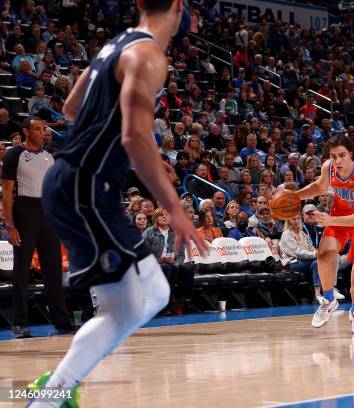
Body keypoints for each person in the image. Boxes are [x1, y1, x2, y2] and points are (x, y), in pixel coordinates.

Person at [30, 2, 207, 406]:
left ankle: (54, 389)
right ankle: (48, 397)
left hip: (80, 183)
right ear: (178, 7)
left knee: (156, 292)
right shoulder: (149, 55)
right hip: (84, 186)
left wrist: (126, 146)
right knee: (124, 309)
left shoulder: (116, 45)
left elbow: (72, 107)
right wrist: (175, 209)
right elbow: (132, 137)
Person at [295, 136, 354, 334]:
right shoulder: (329, 167)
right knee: (324, 254)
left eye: (342, 155)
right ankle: (328, 300)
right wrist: (295, 196)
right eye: (333, 156)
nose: (337, 161)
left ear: (351, 154)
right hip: (341, 215)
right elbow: (319, 187)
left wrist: (330, 220)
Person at [2, 117, 73, 339]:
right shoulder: (15, 154)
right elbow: (6, 192)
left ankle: (62, 321)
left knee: (53, 269)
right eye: (37, 129)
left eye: (44, 129)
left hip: (48, 212)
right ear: (26, 132)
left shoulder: (49, 155)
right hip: (26, 209)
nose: (43, 132)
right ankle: (19, 323)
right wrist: (10, 225)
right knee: (22, 269)